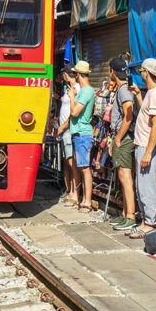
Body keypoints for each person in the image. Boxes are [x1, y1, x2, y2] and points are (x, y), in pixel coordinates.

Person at [127, 58, 156, 238]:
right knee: (140, 184)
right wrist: (137, 95)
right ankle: (145, 221)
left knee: (146, 185)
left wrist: (148, 152)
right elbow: (148, 115)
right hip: (142, 143)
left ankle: (149, 222)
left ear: (146, 73)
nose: (141, 74)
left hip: (146, 145)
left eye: (142, 71)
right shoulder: (152, 92)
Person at [106, 58, 138, 231]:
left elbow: (129, 115)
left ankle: (131, 216)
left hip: (124, 138)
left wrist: (117, 138)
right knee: (123, 176)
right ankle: (126, 214)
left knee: (125, 178)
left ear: (112, 71)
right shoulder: (123, 89)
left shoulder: (124, 90)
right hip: (123, 137)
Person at [67, 60, 96, 213]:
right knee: (83, 167)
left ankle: (87, 201)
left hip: (82, 133)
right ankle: (84, 199)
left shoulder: (86, 91)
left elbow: (74, 112)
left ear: (78, 74)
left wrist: (72, 96)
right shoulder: (88, 91)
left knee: (85, 168)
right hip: (81, 133)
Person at [54, 67, 79, 204]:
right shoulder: (68, 89)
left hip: (68, 129)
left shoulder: (77, 89)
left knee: (71, 161)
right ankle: (69, 190)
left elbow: (74, 112)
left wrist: (63, 126)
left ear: (65, 74)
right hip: (63, 129)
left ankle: (75, 192)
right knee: (65, 161)